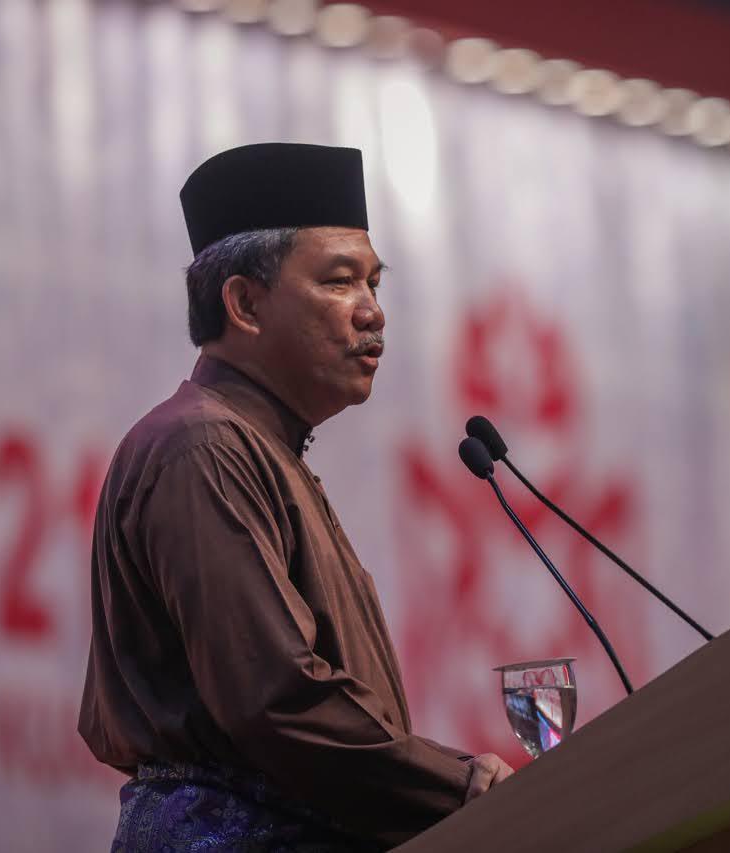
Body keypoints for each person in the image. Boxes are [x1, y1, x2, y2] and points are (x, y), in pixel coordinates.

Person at [78, 143, 513, 852]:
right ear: (245, 304)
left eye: (375, 284)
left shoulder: (259, 447)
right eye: (340, 282)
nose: (373, 313)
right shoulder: (203, 447)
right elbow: (273, 698)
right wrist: (458, 788)